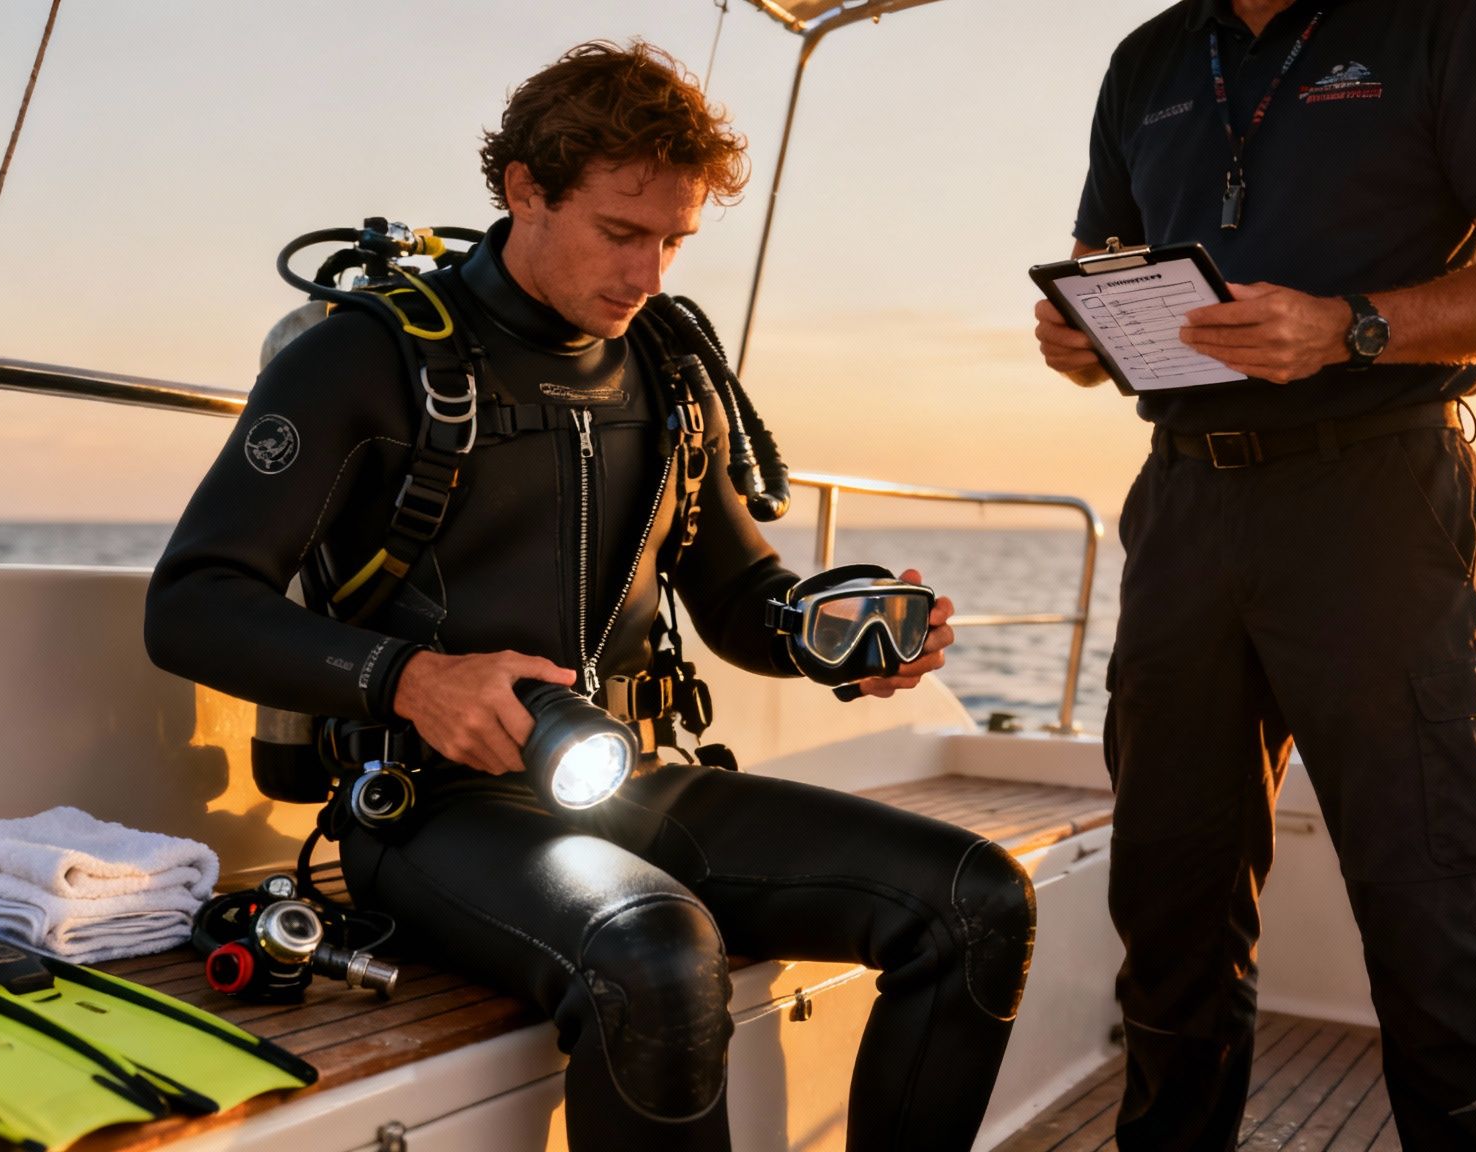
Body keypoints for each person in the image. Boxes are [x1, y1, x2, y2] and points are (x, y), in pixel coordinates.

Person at [148, 41, 1035, 1152]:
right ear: (525, 189)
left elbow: (738, 595)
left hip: (626, 781)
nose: (649, 274)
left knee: (976, 899)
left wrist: (828, 638)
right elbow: (188, 602)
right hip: (429, 813)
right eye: (623, 233)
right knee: (659, 953)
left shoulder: (665, 372)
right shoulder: (360, 361)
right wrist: (410, 679)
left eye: (672, 240)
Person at [1033, 1, 1476, 1148]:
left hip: (1376, 505)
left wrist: (1349, 327)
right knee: (1167, 904)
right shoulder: (1145, 58)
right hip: (1185, 505)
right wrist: (1081, 339)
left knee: (1437, 907)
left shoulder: (1457, 19)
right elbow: (1109, 267)